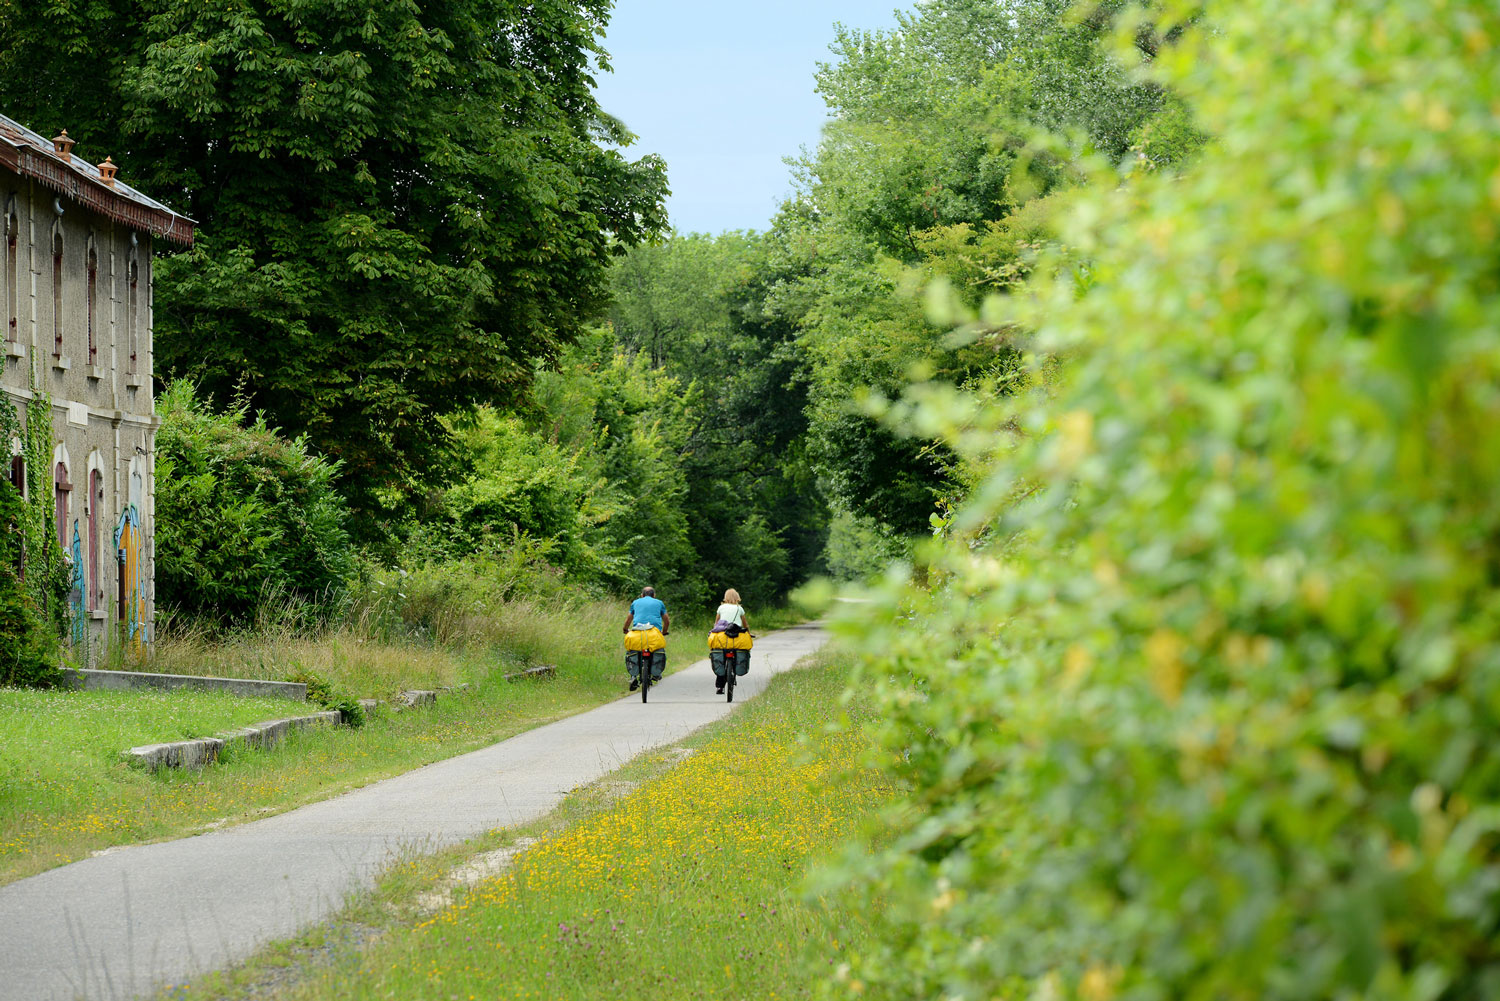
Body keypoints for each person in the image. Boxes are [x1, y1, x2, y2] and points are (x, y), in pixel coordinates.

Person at [623, 587, 669, 691]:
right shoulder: (659, 603)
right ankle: (656, 674)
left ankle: (633, 676)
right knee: (658, 649)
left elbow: (629, 619)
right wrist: (664, 632)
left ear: (642, 595)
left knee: (632, 649)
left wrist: (625, 629)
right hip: (654, 634)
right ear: (654, 595)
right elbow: (666, 620)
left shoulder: (635, 602)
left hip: (637, 633)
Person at [709, 588, 750, 694]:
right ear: (737, 597)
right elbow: (745, 624)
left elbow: (716, 623)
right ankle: (735, 669)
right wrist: (749, 633)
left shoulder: (721, 607)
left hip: (723, 637)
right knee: (738, 653)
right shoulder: (739, 609)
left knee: (721, 660)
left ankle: (720, 687)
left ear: (725, 597)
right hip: (737, 637)